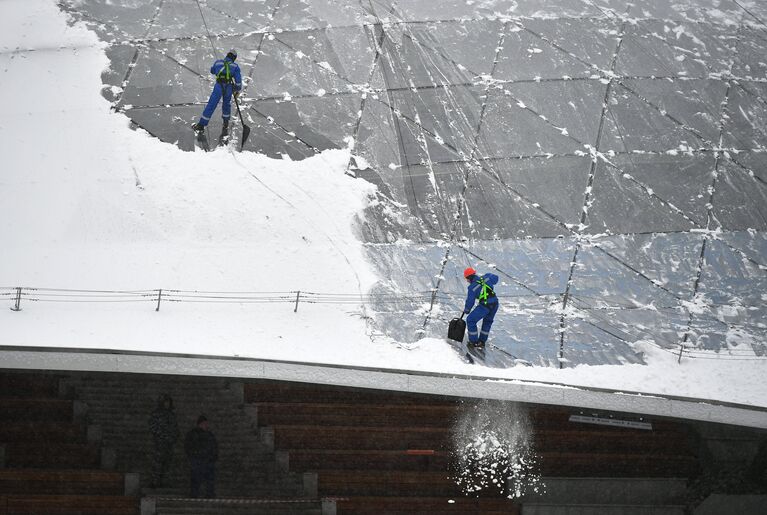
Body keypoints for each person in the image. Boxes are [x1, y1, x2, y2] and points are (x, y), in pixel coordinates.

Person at [192, 49, 242, 135]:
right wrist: (236, 89)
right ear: (234, 58)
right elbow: (238, 82)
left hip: (218, 86)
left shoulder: (218, 63)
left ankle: (201, 125)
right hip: (228, 87)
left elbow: (212, 70)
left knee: (211, 104)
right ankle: (225, 123)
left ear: (227, 55)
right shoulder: (235, 66)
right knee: (226, 105)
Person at [148, 393, 180, 488]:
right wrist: (163, 435)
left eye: (168, 402)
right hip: (160, 443)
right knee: (158, 463)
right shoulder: (156, 414)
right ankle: (155, 482)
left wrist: (173, 437)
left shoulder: (172, 415)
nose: (167, 404)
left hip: (169, 443)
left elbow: (175, 428)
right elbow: (153, 427)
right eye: (165, 402)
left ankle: (165, 482)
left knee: (168, 464)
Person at [462, 267, 500, 348]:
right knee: (487, 322)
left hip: (485, 305)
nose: (467, 281)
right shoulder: (486, 278)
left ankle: (473, 342)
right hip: (495, 304)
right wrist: (488, 275)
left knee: (470, 320)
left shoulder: (472, 287)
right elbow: (496, 279)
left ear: (469, 277)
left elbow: (470, 301)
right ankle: (482, 342)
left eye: (466, 279)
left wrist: (466, 310)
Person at [184, 414, 218, 498]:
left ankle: (209, 493)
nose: (206, 425)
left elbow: (214, 446)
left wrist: (213, 457)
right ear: (201, 423)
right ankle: (195, 493)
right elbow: (189, 446)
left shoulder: (209, 434)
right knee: (196, 478)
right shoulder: (193, 434)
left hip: (207, 460)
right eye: (205, 423)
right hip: (198, 459)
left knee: (208, 478)